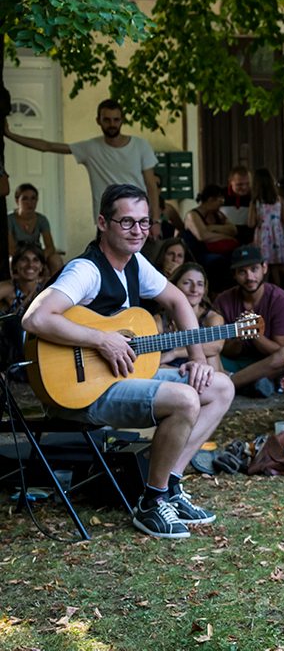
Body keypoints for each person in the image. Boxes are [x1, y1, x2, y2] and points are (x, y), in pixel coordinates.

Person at [22, 183, 233, 539]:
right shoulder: (86, 270)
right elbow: (35, 319)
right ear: (103, 223)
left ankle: (169, 488)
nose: (138, 231)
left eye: (144, 223)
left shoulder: (135, 264)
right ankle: (150, 503)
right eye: (127, 222)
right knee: (184, 400)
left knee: (221, 386)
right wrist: (101, 339)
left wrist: (198, 358)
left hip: (116, 381)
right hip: (80, 393)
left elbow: (180, 300)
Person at [5, 99, 162, 239]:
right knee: (107, 270)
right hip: (107, 222)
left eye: (116, 119)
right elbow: (48, 146)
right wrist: (10, 135)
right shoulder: (90, 148)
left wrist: (154, 220)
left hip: (138, 220)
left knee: (141, 269)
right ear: (98, 121)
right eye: (107, 120)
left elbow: (151, 186)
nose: (112, 124)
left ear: (122, 120)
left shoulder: (141, 146)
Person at [212, 245, 284, 397]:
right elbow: (224, 349)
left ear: (264, 268)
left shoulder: (280, 301)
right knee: (209, 355)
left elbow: (280, 350)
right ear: (234, 275)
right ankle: (249, 384)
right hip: (235, 362)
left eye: (254, 269)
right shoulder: (223, 301)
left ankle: (231, 384)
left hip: (267, 363)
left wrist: (254, 333)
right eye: (242, 272)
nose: (250, 277)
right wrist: (238, 338)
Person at [159, 262, 226, 371]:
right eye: (187, 283)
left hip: (204, 370)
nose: (194, 289)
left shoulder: (212, 318)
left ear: (205, 289)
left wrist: (175, 353)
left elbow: (216, 346)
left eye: (200, 284)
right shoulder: (160, 319)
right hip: (174, 371)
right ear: (174, 286)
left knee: (210, 355)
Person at [8, 182, 63, 274]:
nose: (30, 203)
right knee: (11, 260)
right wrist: (27, 259)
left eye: (33, 198)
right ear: (17, 201)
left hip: (37, 253)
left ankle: (56, 286)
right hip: (18, 255)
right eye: (25, 199)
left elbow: (50, 247)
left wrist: (38, 258)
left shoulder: (42, 219)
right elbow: (11, 249)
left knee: (56, 259)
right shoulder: (9, 219)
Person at [0, 242, 47, 314]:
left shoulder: (47, 287)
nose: (30, 264)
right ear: (15, 265)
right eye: (24, 260)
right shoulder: (9, 288)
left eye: (35, 260)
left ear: (41, 267)